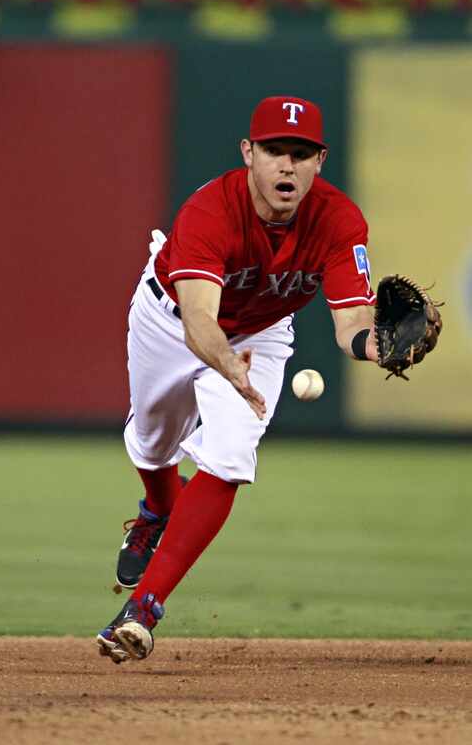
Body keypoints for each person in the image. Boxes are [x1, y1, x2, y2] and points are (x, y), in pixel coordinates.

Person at [97, 96, 377, 664]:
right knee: (154, 441)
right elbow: (199, 320)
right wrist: (228, 369)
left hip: (263, 332)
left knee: (229, 452)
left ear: (319, 160)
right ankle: (155, 511)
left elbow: (353, 326)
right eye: (275, 150)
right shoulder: (210, 210)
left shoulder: (340, 220)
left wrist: (382, 347)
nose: (287, 166)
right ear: (249, 153)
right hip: (170, 318)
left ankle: (144, 609)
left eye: (301, 154)